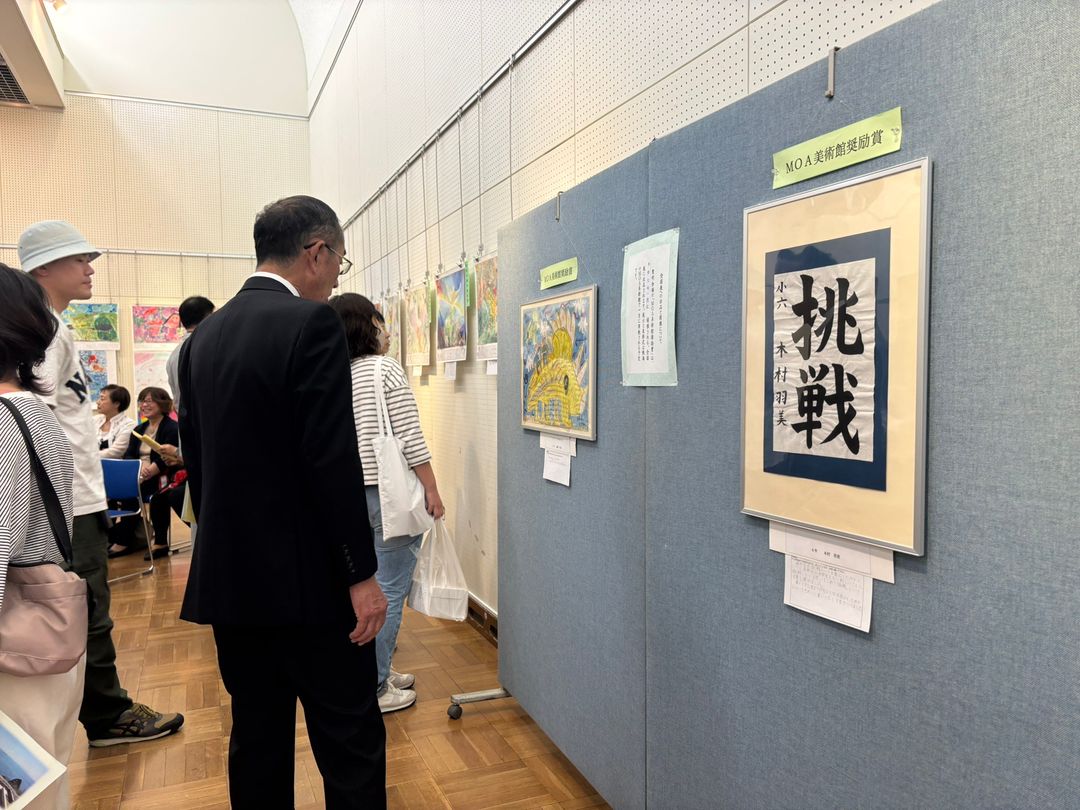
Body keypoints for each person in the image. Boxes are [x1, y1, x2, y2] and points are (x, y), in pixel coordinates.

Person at [178, 196, 388, 808]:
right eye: (339, 262)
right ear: (316, 252)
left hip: (232, 584)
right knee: (348, 741)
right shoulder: (312, 324)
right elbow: (332, 461)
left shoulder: (202, 337)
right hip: (311, 588)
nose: (336, 278)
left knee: (258, 739)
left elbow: (200, 464)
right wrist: (360, 574)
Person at [18, 220, 184, 747]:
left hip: (74, 498)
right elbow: (33, 418)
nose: (89, 268)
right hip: (65, 503)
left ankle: (97, 712)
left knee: (84, 608)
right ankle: (107, 715)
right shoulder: (41, 329)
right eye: (79, 259)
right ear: (44, 267)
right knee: (85, 609)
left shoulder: (49, 325)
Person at [329, 293, 445, 714]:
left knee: (361, 590)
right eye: (380, 320)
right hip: (388, 495)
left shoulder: (335, 372)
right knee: (391, 590)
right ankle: (375, 686)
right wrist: (432, 488)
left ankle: (372, 672)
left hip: (347, 496)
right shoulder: (384, 368)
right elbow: (410, 437)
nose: (387, 329)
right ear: (368, 324)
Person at [0, 263, 85, 808]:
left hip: (13, 650)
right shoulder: (31, 410)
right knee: (40, 788)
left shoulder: (3, 419)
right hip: (41, 636)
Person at [107, 387, 183, 561]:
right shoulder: (139, 429)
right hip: (139, 474)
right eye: (142, 401)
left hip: (161, 475)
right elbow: (129, 455)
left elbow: (168, 458)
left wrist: (150, 471)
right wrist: (138, 469)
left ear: (162, 403)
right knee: (116, 492)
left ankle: (151, 542)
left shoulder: (172, 428)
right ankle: (119, 538)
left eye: (149, 401)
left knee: (142, 494)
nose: (144, 405)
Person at [165, 296, 214, 414]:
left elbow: (177, 401)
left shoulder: (174, 354)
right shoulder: (208, 348)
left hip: (185, 420)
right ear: (208, 317)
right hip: (206, 420)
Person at [96, 384, 135, 458]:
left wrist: (86, 456)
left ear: (116, 404)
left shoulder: (129, 425)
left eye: (102, 399)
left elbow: (115, 452)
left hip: (113, 464)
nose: (97, 402)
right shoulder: (95, 420)